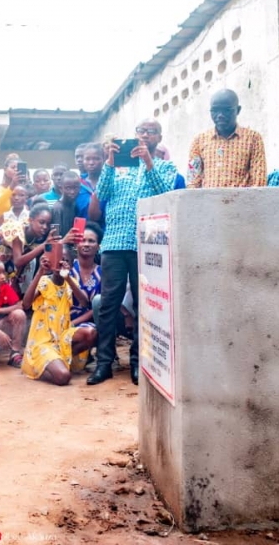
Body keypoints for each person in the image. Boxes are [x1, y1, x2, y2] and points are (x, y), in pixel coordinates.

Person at [88, 119, 185, 387]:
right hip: (113, 245)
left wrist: (148, 163)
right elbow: (103, 193)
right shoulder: (118, 168)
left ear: (159, 137)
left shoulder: (166, 166)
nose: (144, 135)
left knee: (146, 306)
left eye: (150, 132)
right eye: (140, 131)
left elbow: (165, 195)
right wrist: (109, 160)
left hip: (147, 244)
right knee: (108, 306)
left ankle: (138, 364)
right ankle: (104, 363)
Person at [21, 256, 97, 386]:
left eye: (65, 260)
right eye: (57, 259)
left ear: (71, 265)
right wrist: (40, 272)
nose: (60, 263)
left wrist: (68, 278)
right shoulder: (45, 281)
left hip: (62, 337)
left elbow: (85, 303)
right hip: (43, 341)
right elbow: (26, 304)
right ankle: (36, 366)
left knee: (91, 333)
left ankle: (57, 360)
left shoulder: (70, 281)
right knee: (63, 377)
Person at [187, 89, 267, 189]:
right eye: (215, 110)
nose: (220, 115)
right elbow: (193, 182)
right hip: (208, 203)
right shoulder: (199, 141)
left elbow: (258, 183)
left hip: (241, 203)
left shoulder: (253, 138)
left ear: (238, 110)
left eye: (226, 110)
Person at [0, 203, 52, 296]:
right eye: (41, 222)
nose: (45, 227)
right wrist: (44, 245)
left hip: (9, 261)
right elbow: (18, 261)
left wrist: (15, 282)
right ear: (31, 220)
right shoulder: (18, 230)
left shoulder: (34, 235)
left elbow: (24, 257)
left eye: (48, 224)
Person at [69, 223, 103, 327]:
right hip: (62, 317)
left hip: (89, 323)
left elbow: (97, 308)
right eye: (83, 240)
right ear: (76, 245)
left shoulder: (102, 273)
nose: (86, 244)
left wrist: (72, 324)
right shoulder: (68, 267)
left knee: (88, 334)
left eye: (91, 241)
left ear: (98, 247)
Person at [51, 170, 89, 238]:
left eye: (75, 188)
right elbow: (55, 236)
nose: (72, 192)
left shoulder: (75, 205)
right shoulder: (57, 208)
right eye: (68, 188)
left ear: (80, 188)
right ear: (61, 188)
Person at [0, 156, 24, 220]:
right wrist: (12, 186)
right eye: (13, 167)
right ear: (5, 169)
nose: (16, 169)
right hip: (2, 226)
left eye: (18, 168)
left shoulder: (24, 190)